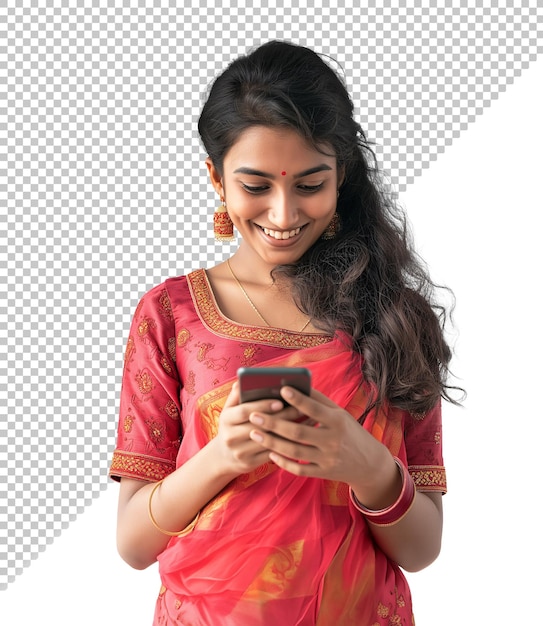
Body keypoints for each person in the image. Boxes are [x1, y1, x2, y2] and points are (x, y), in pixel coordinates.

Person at [110, 40, 458, 626]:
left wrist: (368, 467)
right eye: (256, 186)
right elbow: (133, 543)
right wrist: (221, 458)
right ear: (217, 180)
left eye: (309, 184)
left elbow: (421, 551)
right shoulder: (171, 314)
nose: (282, 213)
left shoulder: (393, 318)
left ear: (341, 176)